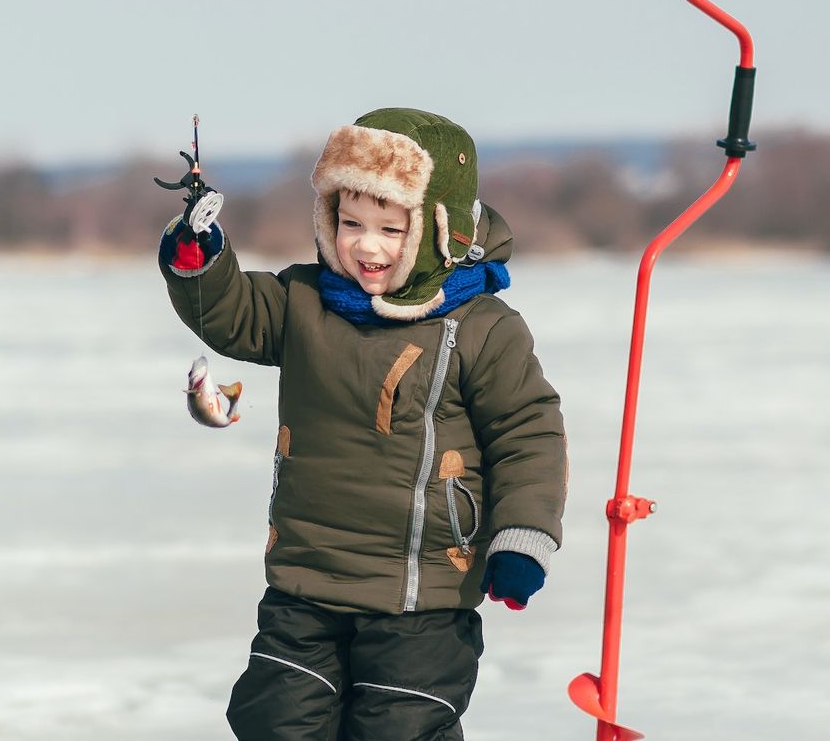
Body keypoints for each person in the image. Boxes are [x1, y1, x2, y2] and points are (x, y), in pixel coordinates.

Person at [158, 108, 567, 740]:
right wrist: (199, 258)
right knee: (275, 722)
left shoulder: (482, 329)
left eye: (390, 228)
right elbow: (232, 313)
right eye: (350, 223)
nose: (365, 245)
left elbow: (528, 435)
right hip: (306, 583)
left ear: (441, 230)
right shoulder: (304, 301)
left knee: (397, 731)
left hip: (422, 596)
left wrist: (523, 538)